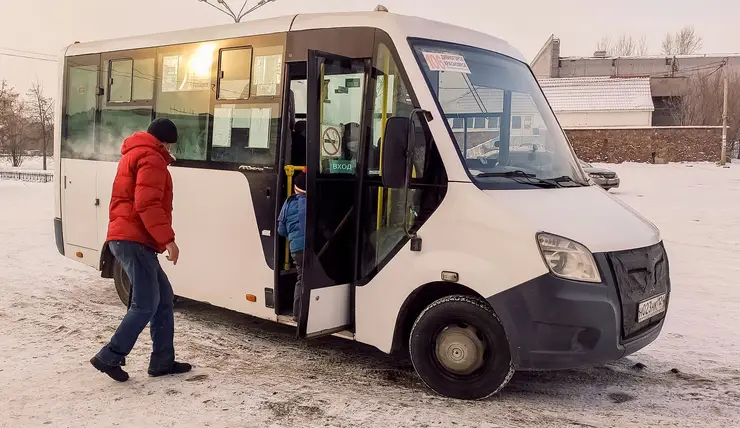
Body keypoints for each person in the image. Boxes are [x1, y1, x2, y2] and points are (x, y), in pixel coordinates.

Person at [90, 118, 191, 382]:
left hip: (127, 237)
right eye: (170, 144)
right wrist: (168, 239)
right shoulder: (152, 158)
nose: (171, 150)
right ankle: (110, 355)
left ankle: (162, 361)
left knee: (164, 297)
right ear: (163, 141)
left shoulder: (135, 154)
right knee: (145, 304)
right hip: (135, 239)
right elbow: (147, 203)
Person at [277, 171, 307, 321]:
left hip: (295, 248)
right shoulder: (311, 202)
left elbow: (281, 230)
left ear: (296, 188)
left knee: (301, 279)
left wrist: (293, 236)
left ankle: (297, 313)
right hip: (310, 248)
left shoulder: (288, 203)